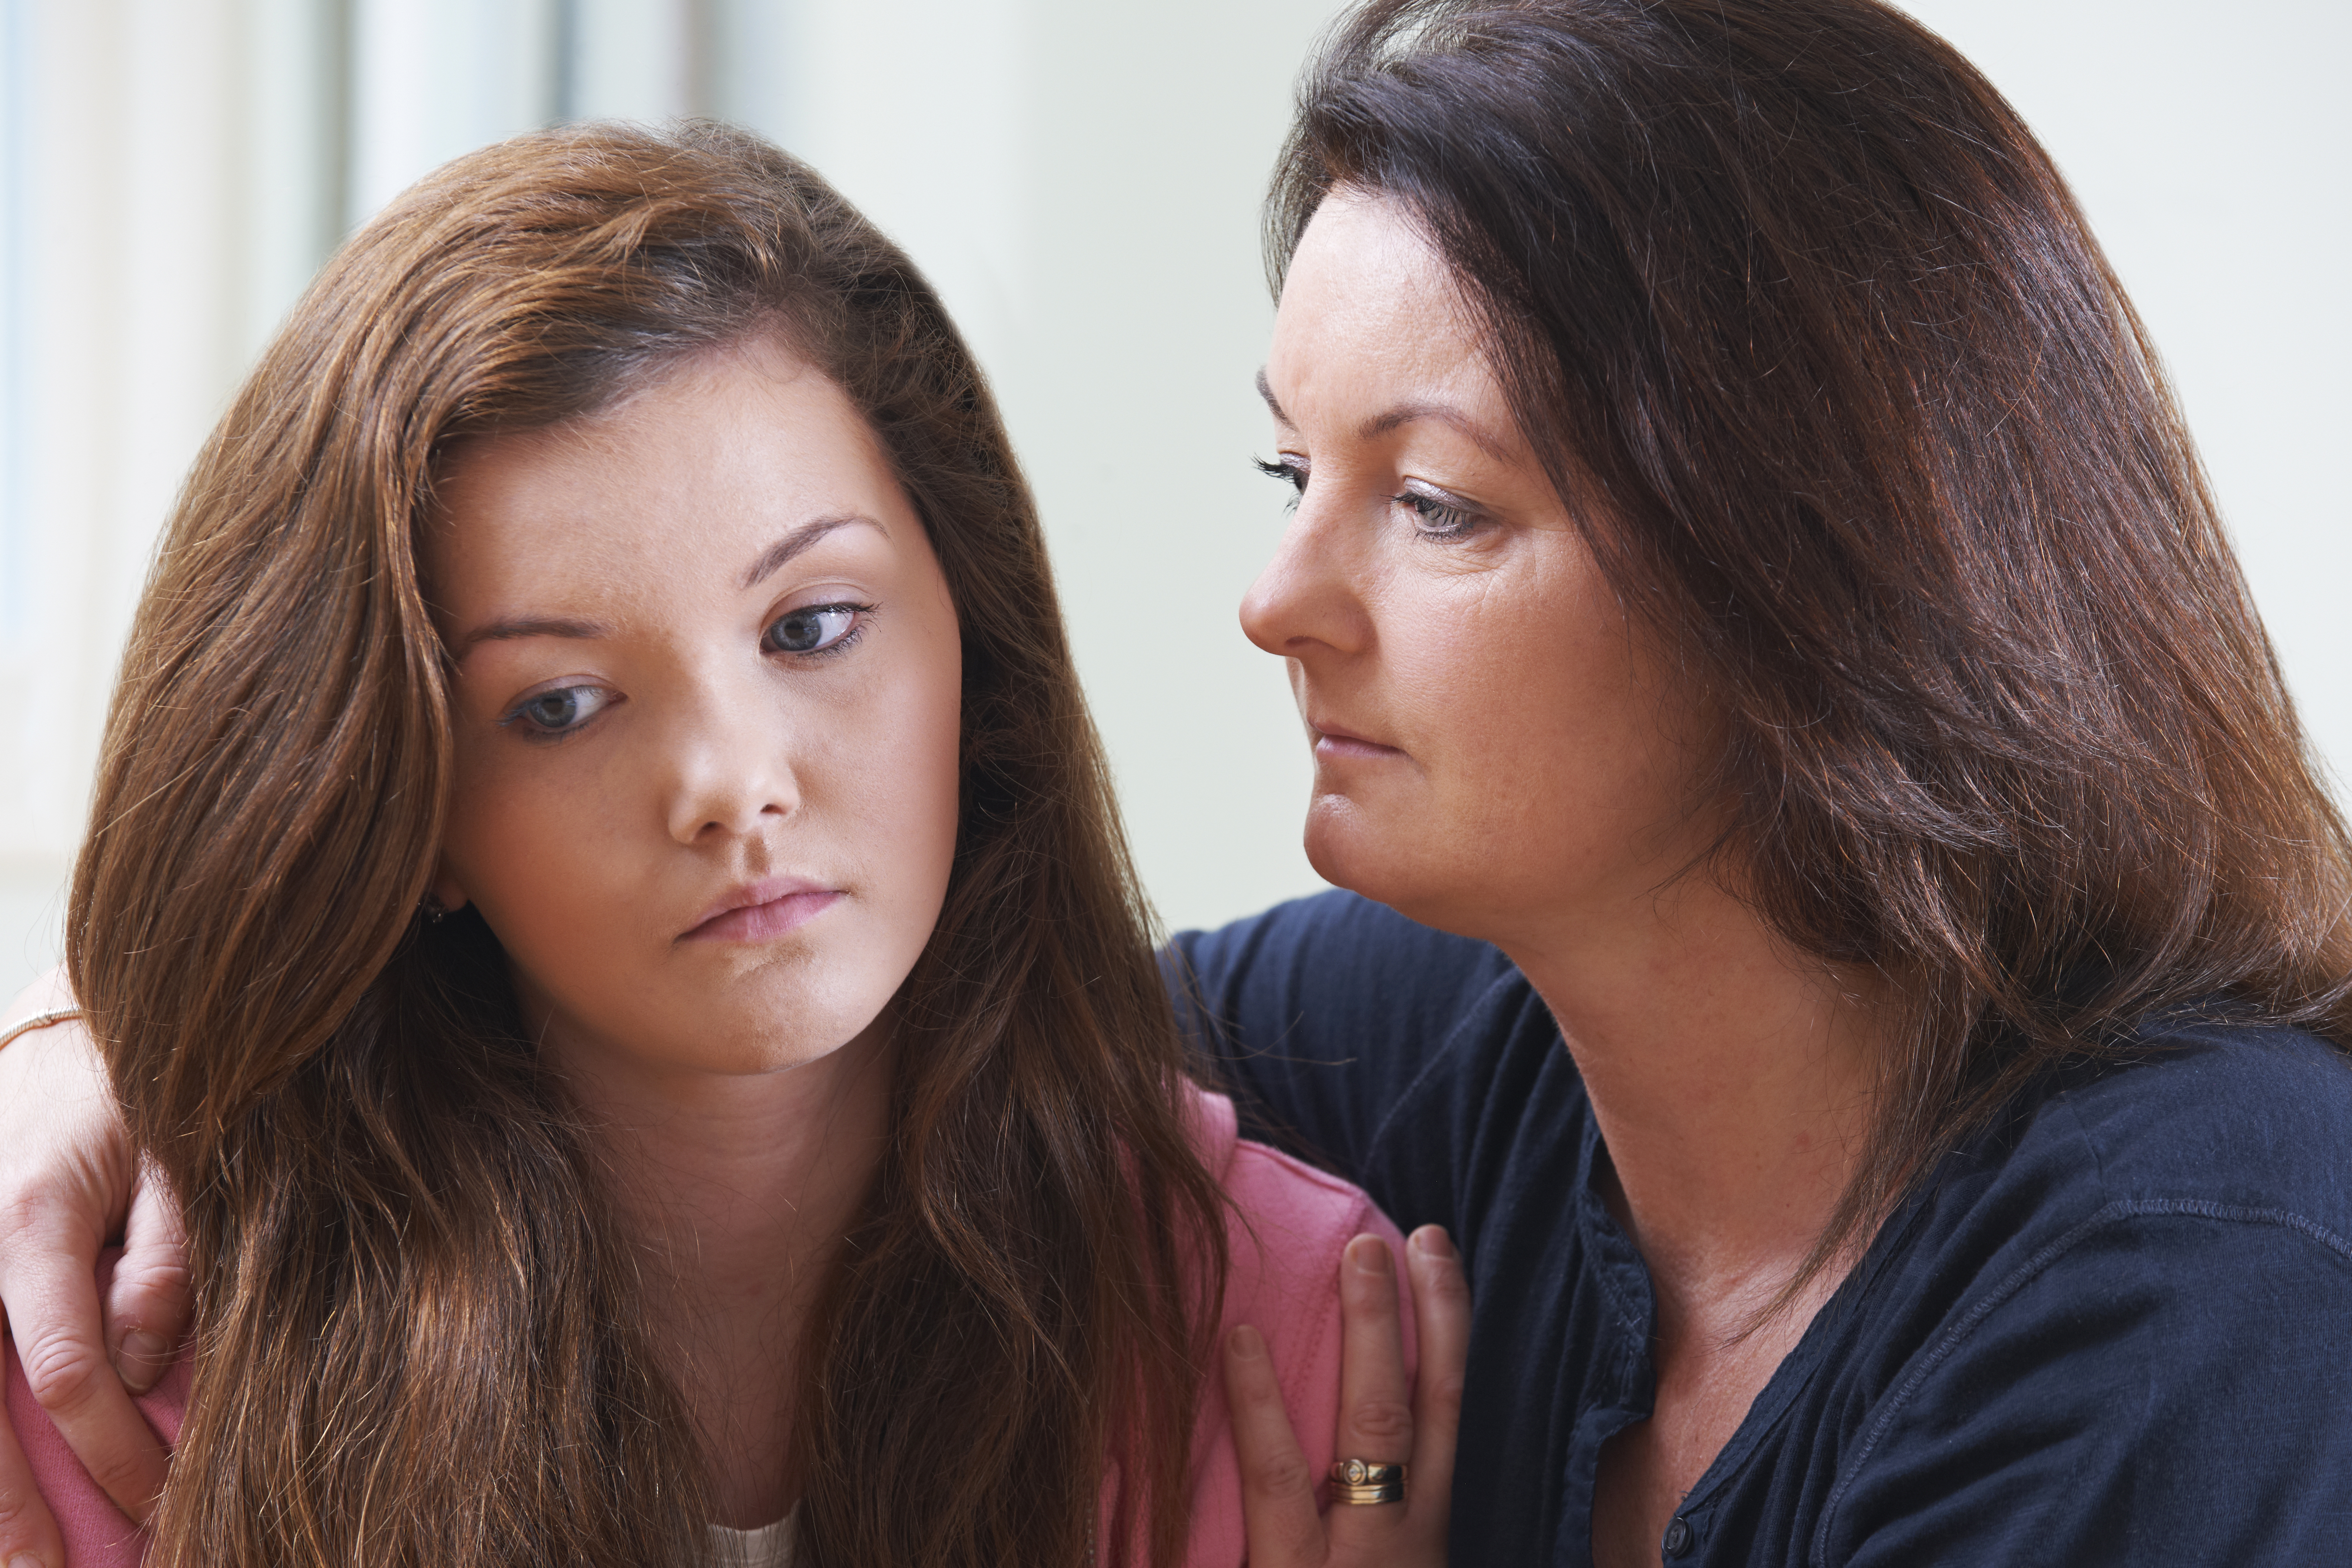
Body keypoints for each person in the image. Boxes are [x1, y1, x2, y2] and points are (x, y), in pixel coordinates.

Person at [8, 0, 2352, 1562]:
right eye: (1284, 466)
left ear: (1823, 559)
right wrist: (137, 1050)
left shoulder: (2195, 1265)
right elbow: (837, 1014)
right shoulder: (1451, 1041)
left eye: (1430, 502)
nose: (1272, 597)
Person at [0, 121, 1466, 1568]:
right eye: (560, 706)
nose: (730, 783)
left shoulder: (1283, 1336)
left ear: (978, 650)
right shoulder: (109, 1365)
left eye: (812, 627)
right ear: (410, 814)